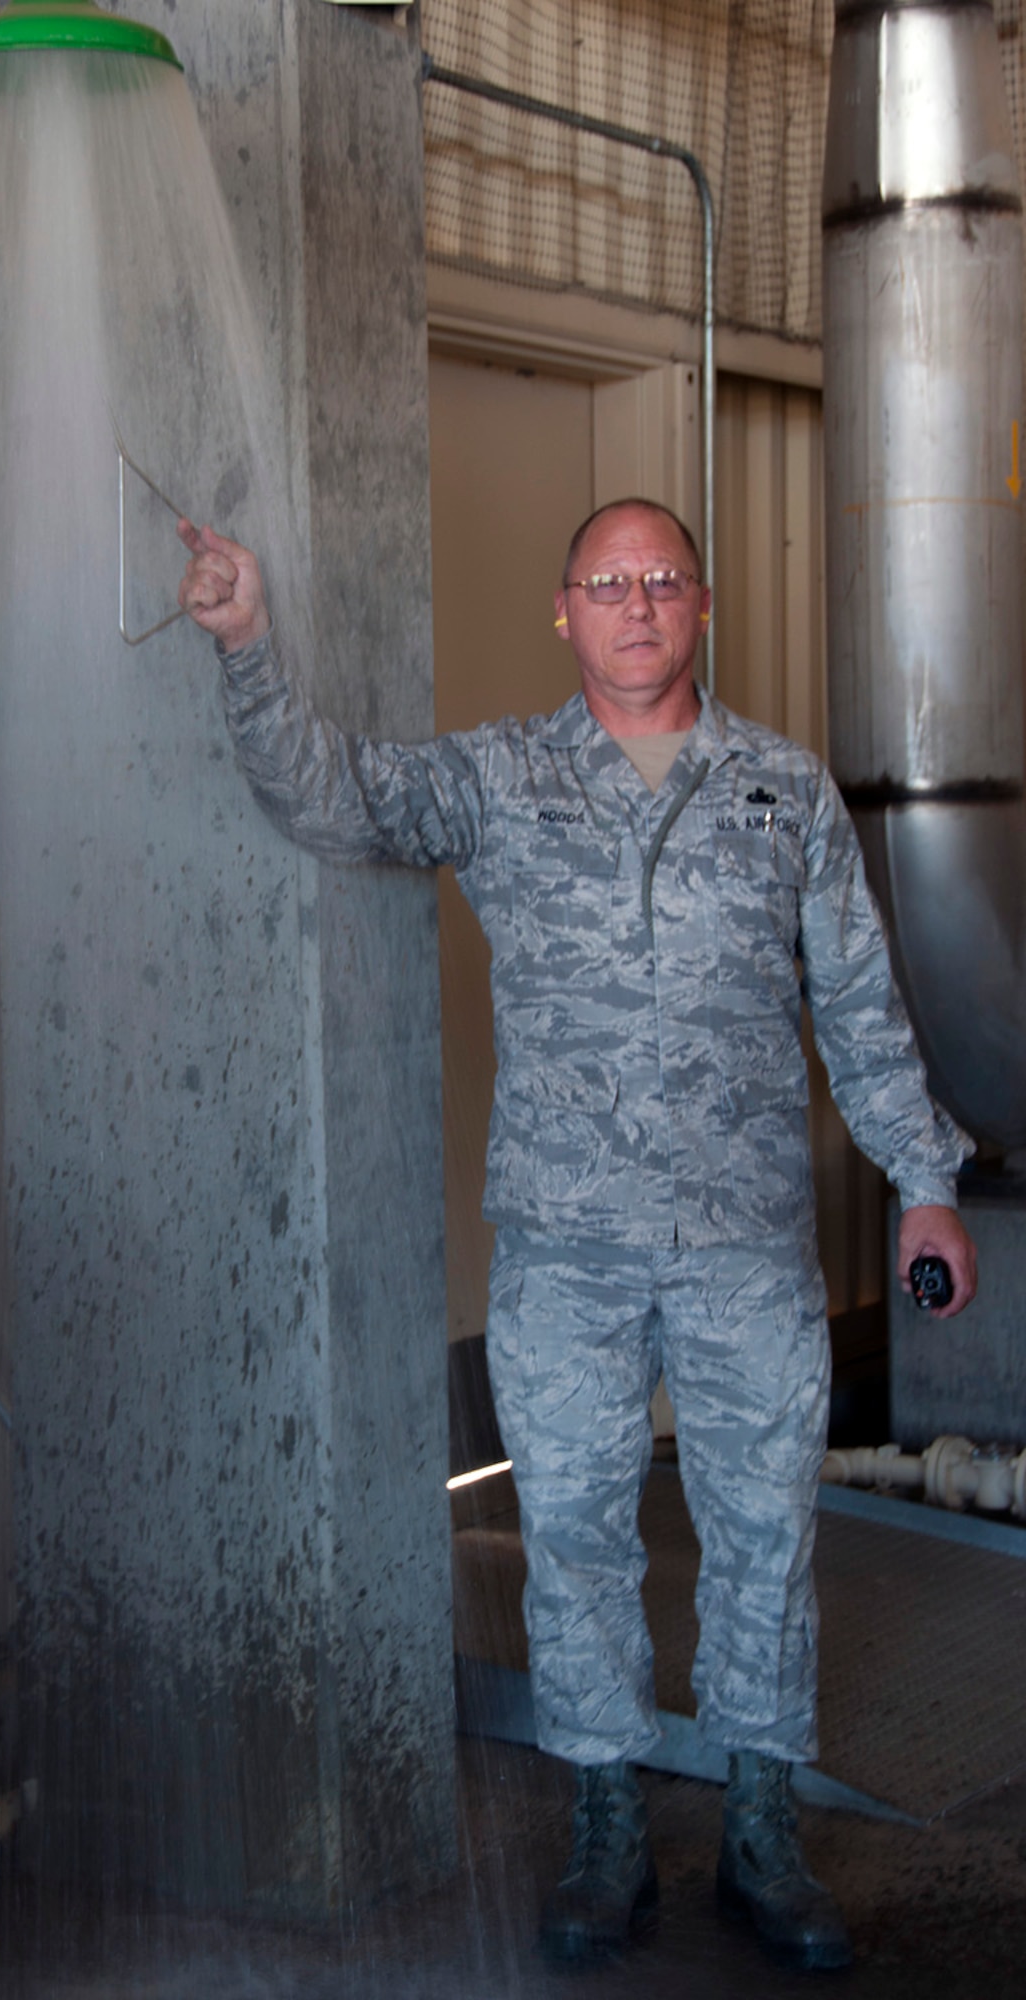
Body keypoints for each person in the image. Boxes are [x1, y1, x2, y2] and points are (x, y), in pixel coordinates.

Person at [177, 498, 977, 1974]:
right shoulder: (501, 778)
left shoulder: (781, 792)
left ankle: (758, 1825)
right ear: (565, 612)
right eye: (607, 582)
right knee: (581, 1542)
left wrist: (922, 1176)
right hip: (569, 1248)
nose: (636, 604)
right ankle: (606, 1822)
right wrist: (247, 644)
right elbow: (331, 793)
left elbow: (859, 1010)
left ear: (704, 604)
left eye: (661, 579)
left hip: (744, 1247)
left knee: (760, 1540)